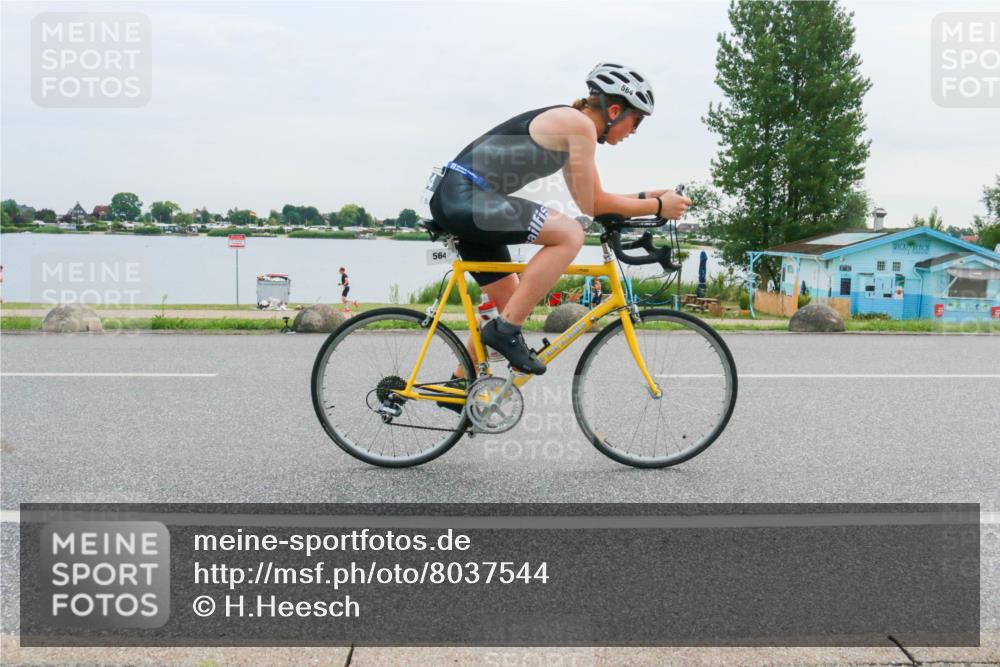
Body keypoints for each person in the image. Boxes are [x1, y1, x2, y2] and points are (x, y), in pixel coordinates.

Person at [428, 62, 691, 376]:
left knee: (512, 301)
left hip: (465, 200)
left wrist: (651, 197)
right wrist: (658, 205)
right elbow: (593, 205)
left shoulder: (574, 128)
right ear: (615, 110)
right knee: (569, 233)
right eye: (635, 123)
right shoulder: (577, 126)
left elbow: (595, 199)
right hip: (466, 197)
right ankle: (505, 331)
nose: (633, 132)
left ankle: (461, 383)